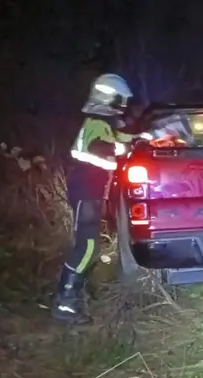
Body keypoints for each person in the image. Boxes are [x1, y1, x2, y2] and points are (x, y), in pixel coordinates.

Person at [52, 73, 136, 324]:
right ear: (110, 98)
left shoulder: (104, 123)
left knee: (88, 246)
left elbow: (124, 139)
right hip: (85, 190)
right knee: (87, 247)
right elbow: (101, 147)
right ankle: (65, 302)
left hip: (89, 190)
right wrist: (124, 149)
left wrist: (145, 136)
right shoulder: (96, 124)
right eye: (121, 100)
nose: (124, 105)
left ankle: (75, 294)